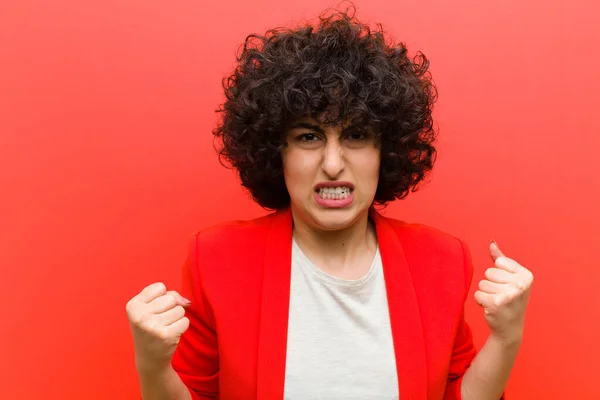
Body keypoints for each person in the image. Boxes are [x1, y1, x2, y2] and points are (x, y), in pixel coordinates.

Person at [126, 6, 533, 400]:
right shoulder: (215, 259)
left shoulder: (443, 261)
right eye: (308, 136)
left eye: (356, 135)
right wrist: (152, 363)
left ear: (384, 151)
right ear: (276, 150)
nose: (333, 164)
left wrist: (506, 338)